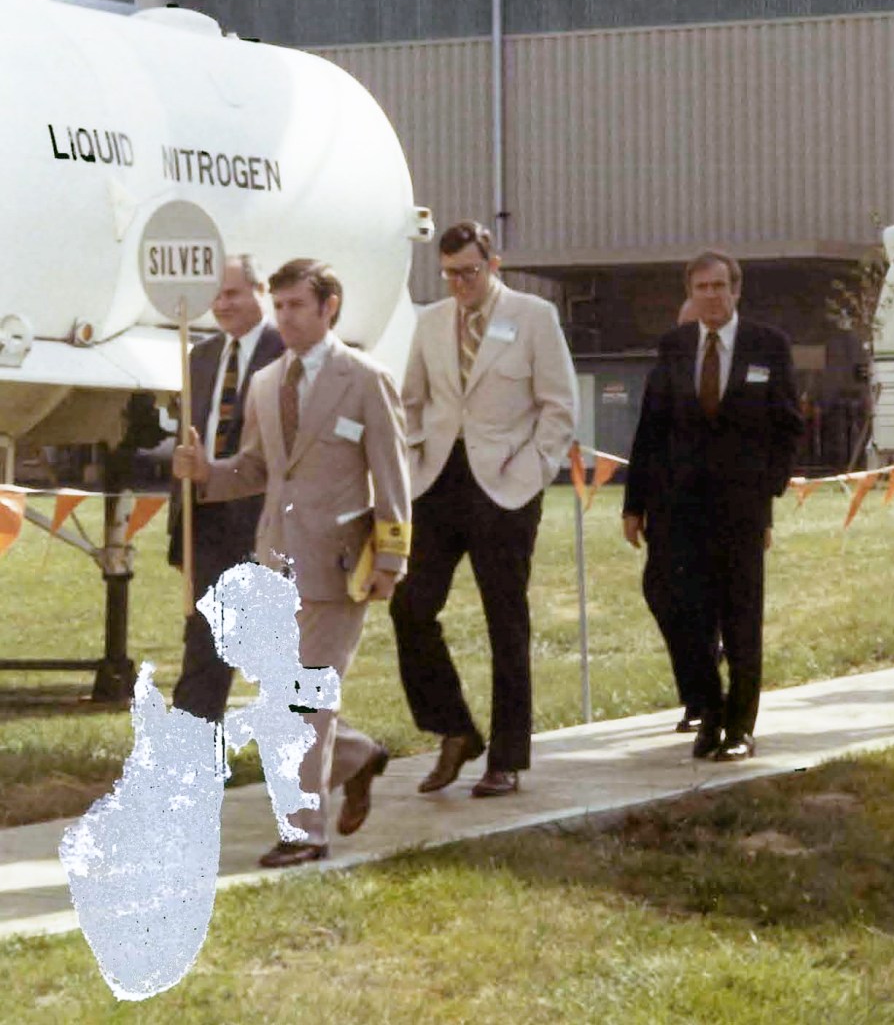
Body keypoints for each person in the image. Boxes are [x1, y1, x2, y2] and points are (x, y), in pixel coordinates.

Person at [173, 258, 412, 869]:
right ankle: (357, 758)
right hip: (275, 560)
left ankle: (304, 833)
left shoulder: (364, 378)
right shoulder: (265, 383)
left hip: (338, 564)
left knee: (304, 699)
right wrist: (207, 474)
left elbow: (391, 475)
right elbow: (255, 469)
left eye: (297, 306)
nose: (287, 317)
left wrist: (392, 556)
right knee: (289, 695)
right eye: (279, 307)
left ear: (330, 306)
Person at [394, 222, 578, 800]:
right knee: (409, 606)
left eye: (470, 272)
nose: (460, 283)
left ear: (493, 264)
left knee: (506, 621)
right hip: (439, 484)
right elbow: (411, 402)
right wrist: (415, 456)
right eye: (450, 273)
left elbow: (559, 408)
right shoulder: (428, 322)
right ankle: (454, 728)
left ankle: (506, 757)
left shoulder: (533, 316)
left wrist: (528, 474)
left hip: (505, 488)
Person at [622, 252, 802, 761]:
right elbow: (651, 428)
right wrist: (634, 504)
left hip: (740, 508)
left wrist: (766, 487)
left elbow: (789, 425)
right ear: (690, 293)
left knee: (740, 617)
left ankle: (738, 728)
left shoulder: (768, 346)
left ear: (736, 290)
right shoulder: (675, 346)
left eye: (720, 286)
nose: (711, 295)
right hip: (677, 507)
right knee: (675, 604)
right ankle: (707, 704)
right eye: (701, 287)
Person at [167, 255, 285, 722]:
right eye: (214, 296)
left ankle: (350, 754)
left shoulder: (285, 353)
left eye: (232, 293)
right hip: (207, 521)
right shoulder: (201, 357)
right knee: (203, 646)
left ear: (260, 290)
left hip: (265, 525)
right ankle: (187, 769)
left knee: (279, 660)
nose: (222, 304)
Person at [636, 294, 711, 734]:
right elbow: (646, 437)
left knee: (705, 604)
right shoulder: (664, 372)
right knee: (661, 592)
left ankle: (704, 700)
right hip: (667, 506)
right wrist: (633, 507)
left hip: (715, 507)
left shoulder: (728, 376)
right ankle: (696, 686)